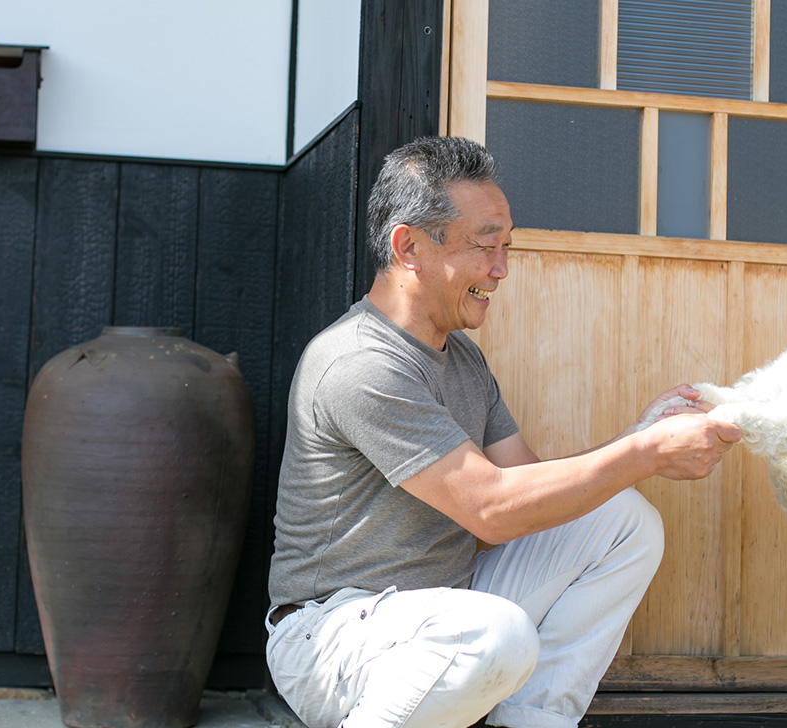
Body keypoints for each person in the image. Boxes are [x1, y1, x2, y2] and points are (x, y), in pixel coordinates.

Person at [265, 135, 741, 728]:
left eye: (506, 248)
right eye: (486, 247)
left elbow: (526, 490)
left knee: (624, 523)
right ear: (409, 246)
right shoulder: (359, 362)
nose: (502, 270)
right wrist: (641, 453)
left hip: (440, 611)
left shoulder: (462, 358)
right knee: (497, 635)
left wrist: (636, 437)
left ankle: (531, 721)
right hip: (333, 633)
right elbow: (493, 512)